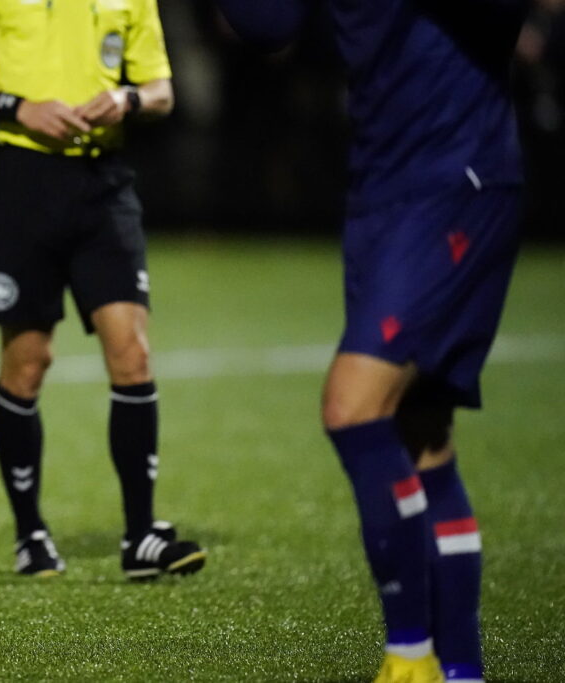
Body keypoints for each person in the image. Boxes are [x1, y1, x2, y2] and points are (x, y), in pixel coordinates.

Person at [213, 1, 529, 681]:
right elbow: (271, 26)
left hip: (456, 179)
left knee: (353, 406)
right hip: (380, 188)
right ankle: (461, 670)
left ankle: (409, 656)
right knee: (421, 434)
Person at [0, 0, 206, 580]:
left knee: (132, 352)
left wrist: (127, 98)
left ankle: (140, 537)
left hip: (105, 185)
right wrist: (16, 107)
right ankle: (30, 533)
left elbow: (161, 91)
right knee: (28, 363)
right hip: (25, 185)